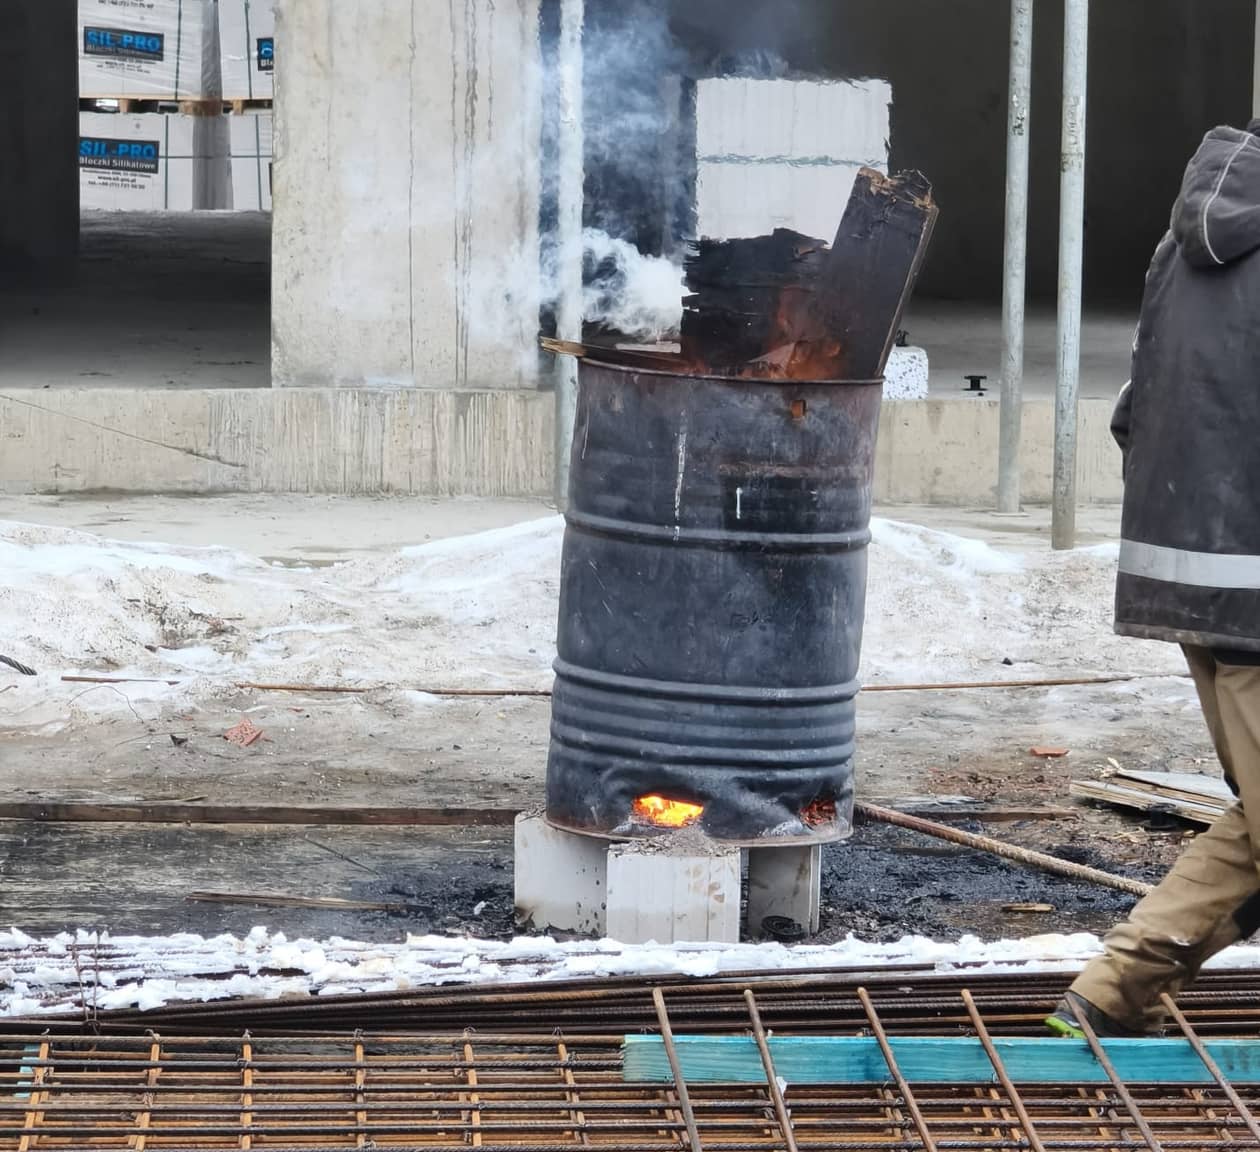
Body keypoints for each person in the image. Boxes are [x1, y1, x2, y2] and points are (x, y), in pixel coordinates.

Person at [1049, 120, 1260, 1039]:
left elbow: (1137, 408)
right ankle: (1114, 990)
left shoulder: (1181, 243)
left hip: (1189, 579)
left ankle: (1111, 993)